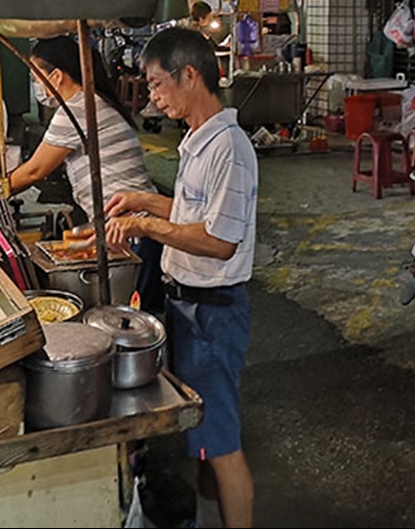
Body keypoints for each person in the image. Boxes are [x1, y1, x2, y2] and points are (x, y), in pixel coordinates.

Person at [105, 27, 257, 529]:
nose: (151, 95)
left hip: (212, 313)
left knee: (222, 445)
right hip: (186, 307)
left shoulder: (229, 148)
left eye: (155, 83)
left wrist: (146, 225)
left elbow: (218, 240)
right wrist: (144, 201)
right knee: (205, 437)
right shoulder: (197, 139)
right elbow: (194, 214)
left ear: (190, 74)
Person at [7, 35, 164, 312]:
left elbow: (34, 171)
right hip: (130, 230)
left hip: (137, 232)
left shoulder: (78, 108)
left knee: (137, 321)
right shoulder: (90, 102)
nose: (35, 86)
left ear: (56, 76)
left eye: (35, 76)